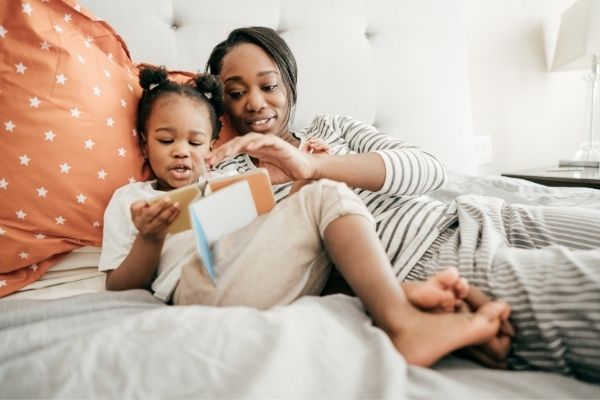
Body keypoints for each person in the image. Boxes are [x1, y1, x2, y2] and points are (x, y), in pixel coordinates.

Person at [204, 27, 600, 382]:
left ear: (289, 86)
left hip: (478, 213)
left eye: (268, 86)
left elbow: (428, 169)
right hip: (426, 256)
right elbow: (249, 264)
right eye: (236, 94)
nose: (254, 103)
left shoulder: (333, 128)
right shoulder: (227, 177)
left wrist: (315, 164)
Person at [98, 65, 511, 368]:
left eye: (196, 141)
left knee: (317, 191)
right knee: (324, 193)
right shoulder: (131, 199)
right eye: (166, 140)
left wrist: (300, 184)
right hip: (198, 290)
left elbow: (277, 241)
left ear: (212, 147)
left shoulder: (224, 184)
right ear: (144, 142)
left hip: (249, 275)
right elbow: (119, 289)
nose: (181, 151)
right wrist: (150, 238)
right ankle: (403, 318)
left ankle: (404, 302)